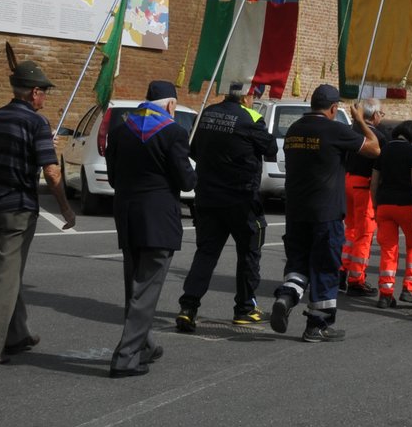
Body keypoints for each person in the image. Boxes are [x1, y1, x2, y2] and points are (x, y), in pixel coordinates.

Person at [0, 53, 74, 367]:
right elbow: (51, 172)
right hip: (18, 206)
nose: (45, 98)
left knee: (6, 273)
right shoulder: (37, 121)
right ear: (34, 93)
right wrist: (66, 209)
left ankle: (16, 334)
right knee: (4, 277)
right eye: (44, 92)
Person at [271, 85, 379, 342]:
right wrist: (360, 121)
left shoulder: (295, 129)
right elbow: (375, 149)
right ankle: (316, 326)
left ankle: (286, 297)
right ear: (333, 108)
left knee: (297, 263)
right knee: (325, 267)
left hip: (296, 210)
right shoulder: (334, 129)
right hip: (326, 212)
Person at [105, 80, 195, 377]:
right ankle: (126, 357)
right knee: (145, 291)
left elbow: (114, 177)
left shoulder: (120, 131)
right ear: (170, 105)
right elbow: (186, 182)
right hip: (158, 219)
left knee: (134, 286)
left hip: (128, 216)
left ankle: (145, 345)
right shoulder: (174, 133)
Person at [177, 81, 275, 332]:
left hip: (208, 198)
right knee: (249, 253)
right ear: (246, 97)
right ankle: (244, 308)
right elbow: (271, 148)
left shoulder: (208, 113)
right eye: (253, 96)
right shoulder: (251, 117)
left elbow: (194, 150)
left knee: (206, 253)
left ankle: (188, 308)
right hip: (241, 200)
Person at [371, 119, 412, 309]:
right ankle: (409, 288)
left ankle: (385, 294)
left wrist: (375, 203)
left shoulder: (385, 149)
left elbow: (374, 180)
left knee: (388, 249)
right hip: (407, 205)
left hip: (385, 204)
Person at [340, 97, 386, 297]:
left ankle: (342, 272)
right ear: (374, 115)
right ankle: (357, 278)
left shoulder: (351, 132)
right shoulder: (378, 137)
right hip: (364, 186)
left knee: (350, 230)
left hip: (347, 181)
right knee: (364, 234)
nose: (382, 117)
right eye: (381, 114)